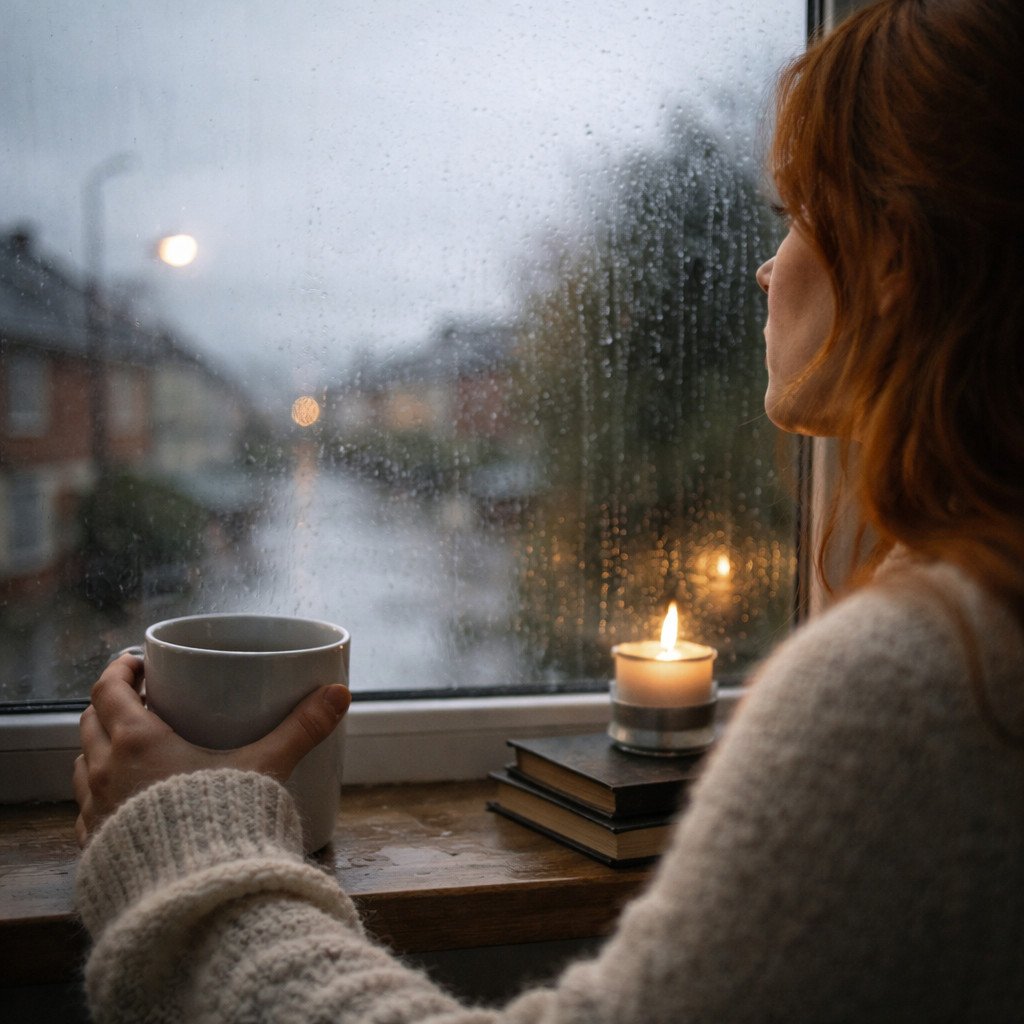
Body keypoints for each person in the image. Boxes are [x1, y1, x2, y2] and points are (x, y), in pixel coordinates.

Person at [73, 1, 1024, 1020]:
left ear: (892, 258)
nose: (764, 265)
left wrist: (187, 836)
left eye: (795, 215)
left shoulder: (926, 677)